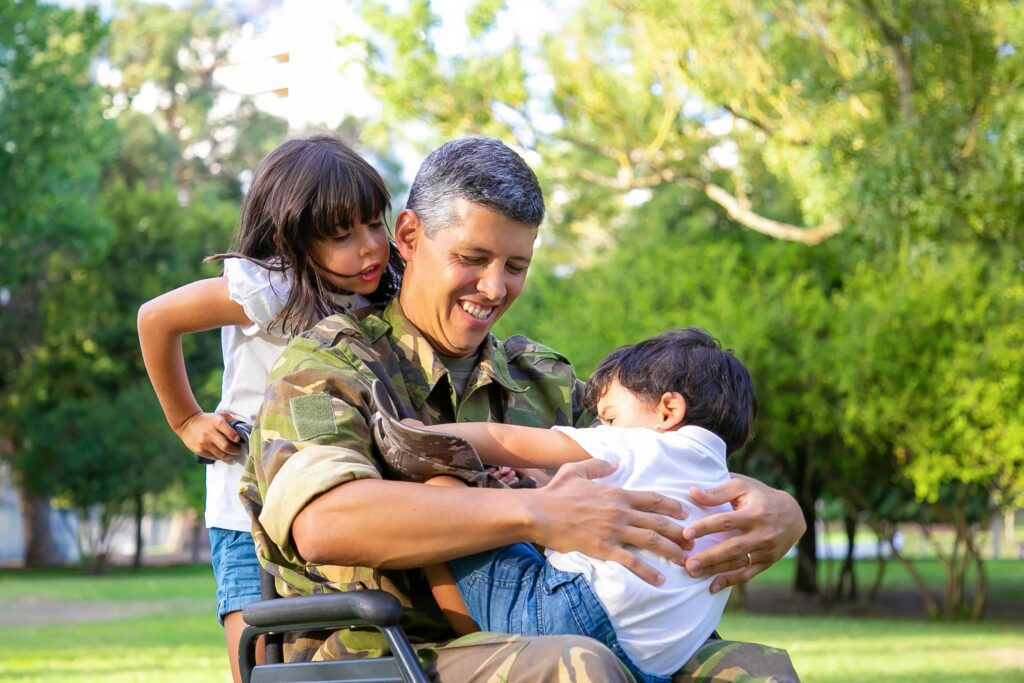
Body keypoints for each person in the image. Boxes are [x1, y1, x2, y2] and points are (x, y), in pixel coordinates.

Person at [241, 137, 804, 682]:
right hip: (391, 656)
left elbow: (650, 446)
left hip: (555, 626)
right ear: (410, 236)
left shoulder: (545, 379)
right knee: (576, 666)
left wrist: (779, 510)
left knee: (759, 671)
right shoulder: (326, 366)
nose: (492, 287)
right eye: (472, 257)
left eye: (515, 265)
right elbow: (325, 522)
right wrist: (540, 514)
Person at [137, 134, 402, 683]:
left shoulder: (376, 291)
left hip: (331, 509)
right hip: (246, 512)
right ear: (292, 241)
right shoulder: (270, 287)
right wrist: (186, 419)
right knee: (259, 666)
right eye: (342, 235)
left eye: (375, 223)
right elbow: (156, 318)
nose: (371, 247)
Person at [382, 327, 755, 683]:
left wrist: (422, 433)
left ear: (668, 410)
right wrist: (535, 484)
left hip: (567, 620)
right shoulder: (725, 491)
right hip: (654, 664)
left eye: (609, 417)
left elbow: (503, 437)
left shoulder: (636, 444)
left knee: (443, 491)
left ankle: (481, 632)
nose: (601, 429)